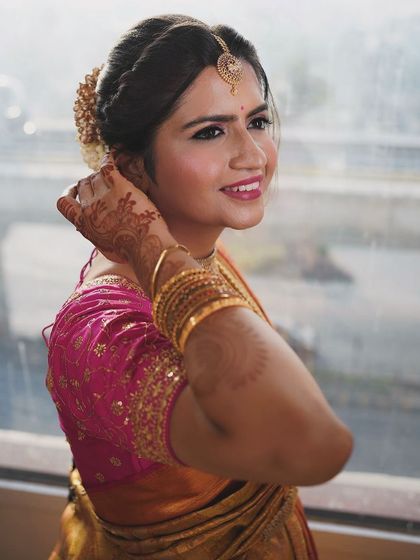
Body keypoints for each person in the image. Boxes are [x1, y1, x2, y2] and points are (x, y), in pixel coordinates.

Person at [45, 14, 353, 559]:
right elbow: (316, 446)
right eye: (210, 132)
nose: (253, 155)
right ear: (129, 168)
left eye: (257, 121)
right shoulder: (99, 333)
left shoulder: (198, 257)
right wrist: (147, 246)